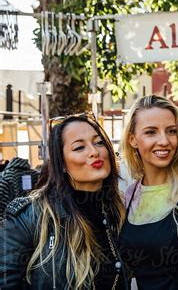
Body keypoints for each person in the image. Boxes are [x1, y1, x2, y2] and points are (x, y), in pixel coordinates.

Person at [0, 112, 127, 289]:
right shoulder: (30, 217)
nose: (94, 152)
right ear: (63, 164)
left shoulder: (119, 210)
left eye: (99, 142)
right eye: (79, 148)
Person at [119, 95, 178, 289]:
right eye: (151, 132)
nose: (164, 141)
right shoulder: (127, 196)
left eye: (171, 131)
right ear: (133, 139)